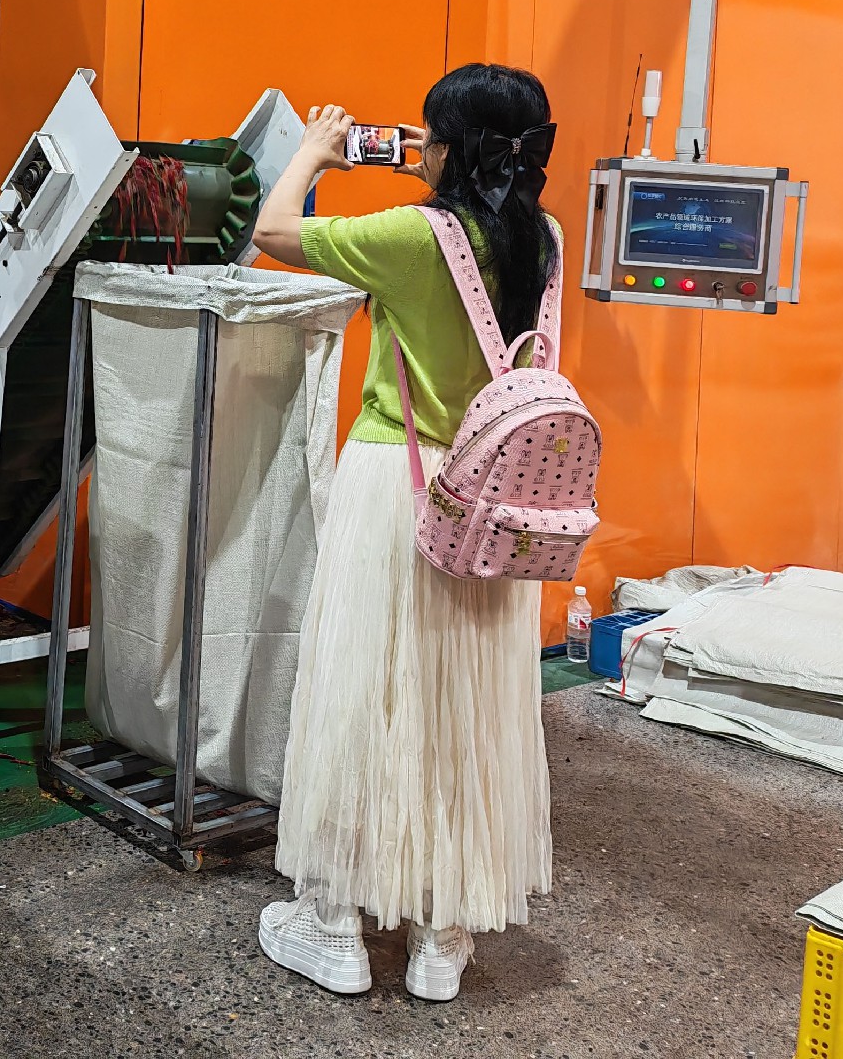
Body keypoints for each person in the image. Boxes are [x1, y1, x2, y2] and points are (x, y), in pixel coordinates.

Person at [248, 63, 560, 1003]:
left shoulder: (410, 235)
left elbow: (272, 231)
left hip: (400, 484)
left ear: (451, 148)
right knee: (463, 706)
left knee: (365, 691)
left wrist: (314, 151)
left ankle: (332, 924)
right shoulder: (542, 238)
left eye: (429, 136)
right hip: (496, 494)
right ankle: (440, 935)